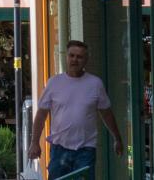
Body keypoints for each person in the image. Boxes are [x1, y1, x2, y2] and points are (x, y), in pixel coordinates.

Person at [28, 40, 124, 178]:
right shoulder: (54, 83)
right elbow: (41, 115)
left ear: (86, 60)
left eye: (79, 57)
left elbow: (107, 113)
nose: (75, 60)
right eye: (71, 55)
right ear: (66, 57)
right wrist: (34, 142)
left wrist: (117, 138)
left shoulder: (95, 84)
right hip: (59, 149)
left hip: (85, 150)